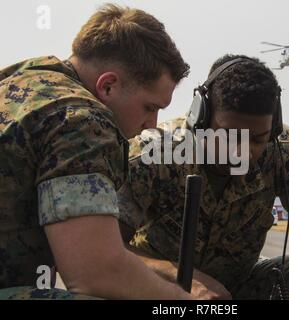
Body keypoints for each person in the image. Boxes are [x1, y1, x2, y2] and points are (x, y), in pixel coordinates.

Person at [119, 54, 289, 300]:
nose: (242, 151)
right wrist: (183, 278)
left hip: (240, 287)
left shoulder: (284, 152)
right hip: (159, 287)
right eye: (229, 135)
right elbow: (108, 248)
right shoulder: (156, 154)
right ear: (202, 118)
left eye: (257, 139)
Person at [0, 4, 194, 299]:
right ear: (108, 86)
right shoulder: (81, 119)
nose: (150, 125)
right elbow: (98, 273)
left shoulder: (21, 79)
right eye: (149, 107)